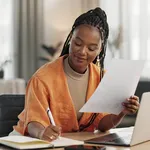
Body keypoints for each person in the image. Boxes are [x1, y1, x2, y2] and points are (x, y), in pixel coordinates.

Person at [10, 7, 139, 141]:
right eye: (78, 43)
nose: (82, 52)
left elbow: (102, 124)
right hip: (29, 141)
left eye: (91, 48)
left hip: (70, 142)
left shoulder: (101, 78)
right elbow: (33, 122)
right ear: (71, 38)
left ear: (100, 49)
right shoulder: (42, 78)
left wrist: (121, 112)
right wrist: (42, 132)